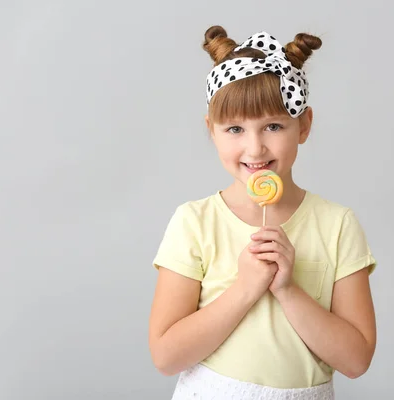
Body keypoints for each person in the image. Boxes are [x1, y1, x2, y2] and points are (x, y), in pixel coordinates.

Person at [148, 25, 378, 400]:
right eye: (235, 128)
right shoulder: (195, 222)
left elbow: (356, 360)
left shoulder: (337, 225)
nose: (254, 149)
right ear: (212, 130)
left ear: (303, 125)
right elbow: (166, 356)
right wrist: (245, 288)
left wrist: (287, 290)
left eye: (273, 126)